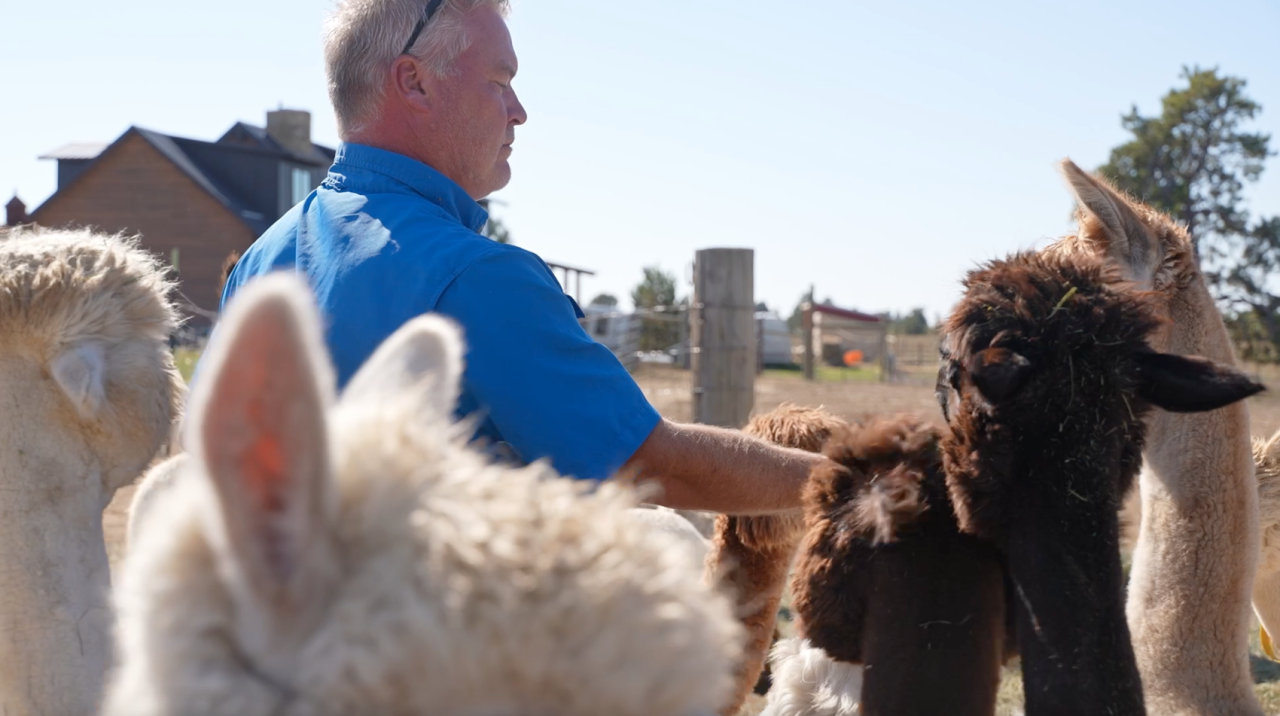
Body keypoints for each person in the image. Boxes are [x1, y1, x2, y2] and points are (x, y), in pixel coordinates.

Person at [216, 0, 825, 514]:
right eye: (501, 81)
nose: (519, 110)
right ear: (415, 82)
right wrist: (856, 484)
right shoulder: (474, 277)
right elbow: (649, 463)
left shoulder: (256, 266)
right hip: (434, 648)